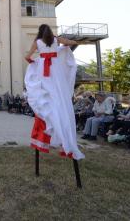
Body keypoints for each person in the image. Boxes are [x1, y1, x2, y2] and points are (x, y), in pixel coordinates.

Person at [24, 24, 85, 160]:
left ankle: (49, 109)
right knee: (58, 89)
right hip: (56, 68)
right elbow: (69, 43)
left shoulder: (37, 42)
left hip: (44, 69)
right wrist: (76, 42)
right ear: (50, 32)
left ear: (40, 32)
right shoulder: (56, 39)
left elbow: (27, 57)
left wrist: (33, 61)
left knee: (45, 89)